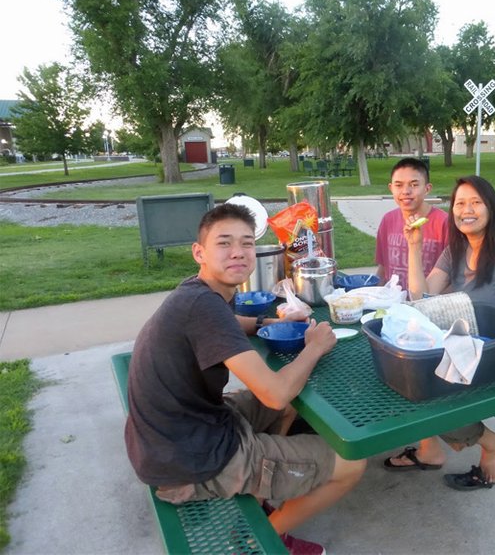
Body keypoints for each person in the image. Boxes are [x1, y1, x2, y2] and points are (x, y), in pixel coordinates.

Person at [124, 203, 366, 555]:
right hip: (189, 462)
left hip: (177, 433)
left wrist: (272, 324)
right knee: (351, 464)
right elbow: (275, 394)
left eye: (247, 243)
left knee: (293, 409)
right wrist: (314, 347)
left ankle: (264, 484)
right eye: (224, 243)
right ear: (199, 252)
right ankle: (260, 539)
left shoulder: (199, 294)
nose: (238, 252)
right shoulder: (204, 306)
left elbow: (229, 324)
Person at [384, 175, 495, 490]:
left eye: (475, 202)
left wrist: (486, 329)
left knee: (427, 393)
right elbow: (421, 298)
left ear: (491, 208)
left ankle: (492, 443)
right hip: (463, 349)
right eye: (459, 203)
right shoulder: (455, 250)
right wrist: (414, 248)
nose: (466, 210)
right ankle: (430, 450)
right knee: (408, 369)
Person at [375, 157, 449, 294]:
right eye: (398, 185)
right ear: (391, 188)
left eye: (414, 185)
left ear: (427, 189)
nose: (406, 191)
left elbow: (453, 276)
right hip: (394, 303)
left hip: (429, 304)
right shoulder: (388, 220)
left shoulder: (444, 222)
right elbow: (383, 267)